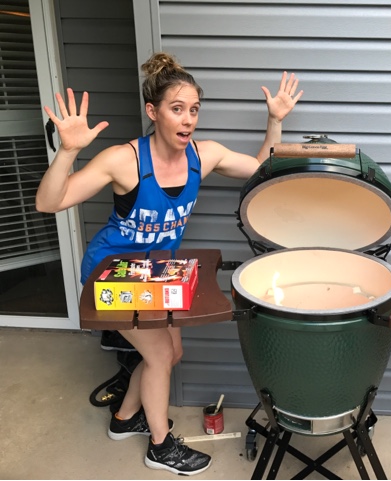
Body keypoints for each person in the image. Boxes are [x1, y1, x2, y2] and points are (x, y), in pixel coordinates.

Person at [36, 52, 302, 476]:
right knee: (160, 354)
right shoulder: (124, 160)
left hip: (159, 273)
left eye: (194, 109)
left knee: (172, 352)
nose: (188, 119)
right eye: (177, 109)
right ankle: (160, 448)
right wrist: (68, 151)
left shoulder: (203, 155)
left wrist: (275, 120)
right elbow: (49, 202)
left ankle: (125, 418)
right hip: (111, 273)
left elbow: (260, 169)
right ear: (153, 112)